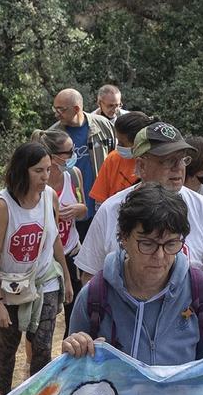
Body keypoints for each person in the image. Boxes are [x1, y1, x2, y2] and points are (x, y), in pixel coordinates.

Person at [77, 120, 203, 347]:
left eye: (183, 159)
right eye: (167, 160)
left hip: (185, 340)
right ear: (141, 166)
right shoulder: (111, 211)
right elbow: (90, 277)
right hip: (122, 345)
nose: (178, 168)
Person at [64, 184, 203, 364]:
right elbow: (73, 374)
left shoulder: (199, 292)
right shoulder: (95, 296)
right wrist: (75, 348)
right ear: (123, 238)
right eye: (148, 244)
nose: (159, 256)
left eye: (171, 244)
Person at [0, 139, 73, 395]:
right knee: (9, 346)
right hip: (10, 285)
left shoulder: (50, 197)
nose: (46, 176)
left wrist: (66, 277)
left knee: (43, 346)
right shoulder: (2, 205)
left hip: (46, 280)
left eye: (48, 169)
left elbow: (55, 239)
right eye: (38, 171)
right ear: (23, 170)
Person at [44, 88, 116, 235]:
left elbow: (115, 157)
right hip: (68, 209)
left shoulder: (103, 126)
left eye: (61, 110)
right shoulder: (54, 134)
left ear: (76, 109)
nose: (56, 114)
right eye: (55, 109)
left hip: (101, 203)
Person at [44, 127, 90, 336]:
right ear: (53, 157)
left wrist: (80, 209)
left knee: (75, 312)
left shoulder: (73, 174)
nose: (74, 156)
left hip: (71, 251)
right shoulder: (37, 180)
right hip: (46, 257)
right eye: (69, 152)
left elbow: (83, 208)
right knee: (45, 316)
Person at [88, 110, 150, 208]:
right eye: (118, 141)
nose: (118, 146)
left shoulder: (155, 164)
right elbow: (100, 201)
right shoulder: (113, 158)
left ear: (139, 143)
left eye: (122, 143)